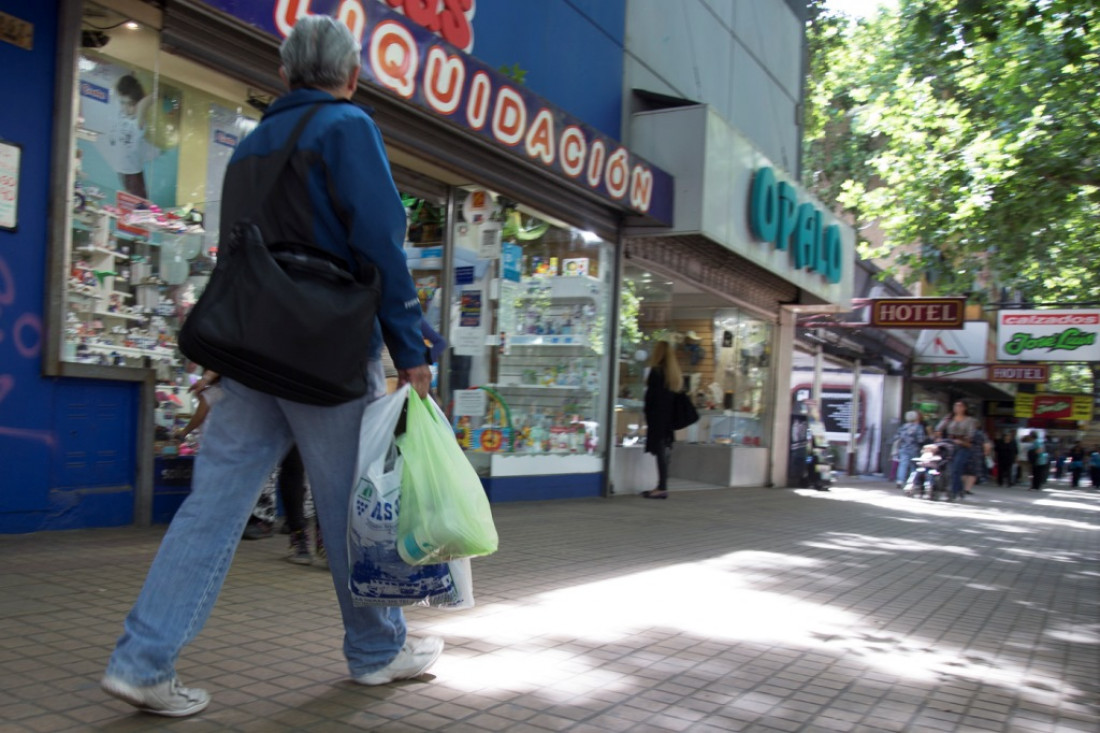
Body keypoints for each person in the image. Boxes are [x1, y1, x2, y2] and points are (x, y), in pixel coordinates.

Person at [101, 17, 437, 717]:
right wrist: (410, 348)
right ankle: (377, 651)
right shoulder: (349, 127)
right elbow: (381, 242)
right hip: (326, 352)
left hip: (254, 349)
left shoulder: (249, 147)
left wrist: (223, 358)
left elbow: (234, 253)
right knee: (351, 508)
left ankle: (142, 659)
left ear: (284, 76)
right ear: (351, 77)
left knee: (211, 507)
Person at [641, 340, 682, 499]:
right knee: (664, 451)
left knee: (659, 451)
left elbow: (651, 398)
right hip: (668, 419)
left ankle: (662, 487)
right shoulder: (673, 375)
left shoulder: (656, 372)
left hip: (657, 418)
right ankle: (661, 484)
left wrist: (647, 414)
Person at [110, 74, 152, 198]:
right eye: (123, 103)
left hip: (133, 172)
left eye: (131, 104)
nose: (126, 108)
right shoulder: (121, 113)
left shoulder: (137, 123)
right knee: (128, 199)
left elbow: (145, 102)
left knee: (139, 203)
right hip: (121, 169)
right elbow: (116, 86)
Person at [934, 400, 978, 502]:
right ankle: (960, 489)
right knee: (951, 469)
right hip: (950, 445)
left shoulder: (969, 420)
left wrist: (962, 441)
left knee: (955, 468)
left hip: (963, 446)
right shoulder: (949, 418)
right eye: (955, 406)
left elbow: (971, 435)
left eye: (960, 406)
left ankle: (952, 493)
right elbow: (938, 429)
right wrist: (938, 437)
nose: (957, 408)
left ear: (964, 408)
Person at [893, 411, 928, 489]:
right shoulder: (918, 427)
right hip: (914, 449)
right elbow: (921, 439)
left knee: (903, 465)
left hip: (903, 448)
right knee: (914, 466)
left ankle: (900, 480)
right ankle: (913, 481)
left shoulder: (903, 427)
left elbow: (896, 437)